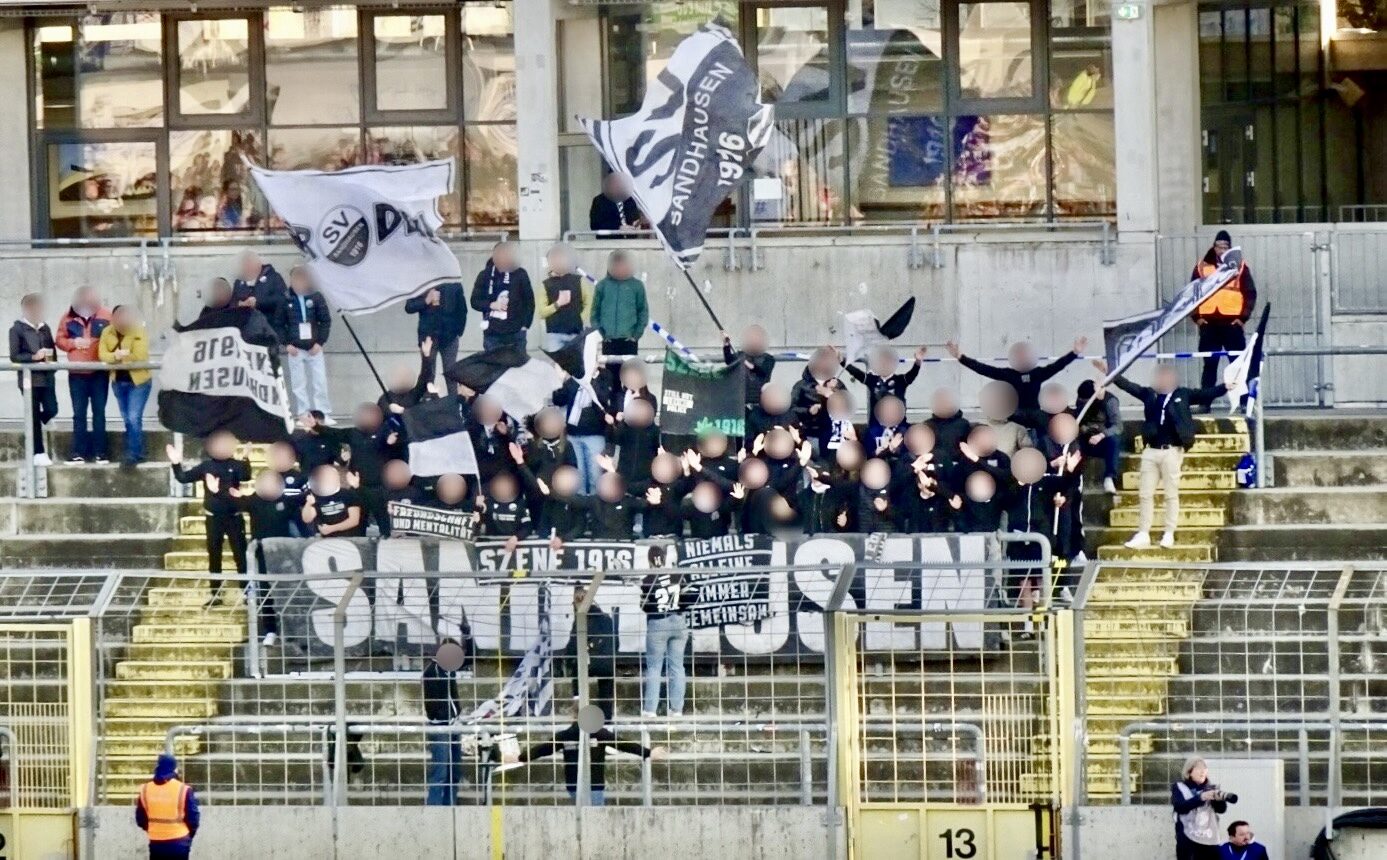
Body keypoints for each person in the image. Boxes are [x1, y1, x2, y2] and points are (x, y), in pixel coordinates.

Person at [1094, 359, 1227, 549]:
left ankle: (1169, 532)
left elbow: (1207, 393)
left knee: (1171, 494)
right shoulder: (1150, 394)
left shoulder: (1183, 394)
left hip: (1172, 450)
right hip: (1151, 450)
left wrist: (1226, 386)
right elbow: (1128, 386)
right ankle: (1143, 533)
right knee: (1145, 494)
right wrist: (1110, 372)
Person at [506, 707, 666, 806]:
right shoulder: (598, 733)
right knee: (597, 820)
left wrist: (520, 758)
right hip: (594, 784)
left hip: (573, 785)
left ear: (574, 717)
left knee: (582, 816)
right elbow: (623, 744)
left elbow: (543, 749)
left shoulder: (565, 735)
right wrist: (648, 753)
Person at [167, 431, 251, 607]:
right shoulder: (206, 466)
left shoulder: (235, 465)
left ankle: (248, 593)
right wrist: (176, 463)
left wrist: (245, 458)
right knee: (214, 555)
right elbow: (183, 478)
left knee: (241, 555)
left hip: (234, 517)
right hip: (213, 518)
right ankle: (215, 594)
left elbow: (246, 476)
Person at [1192, 230, 1257, 395]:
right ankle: (1205, 402)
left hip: (1232, 323)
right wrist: (1197, 318)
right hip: (1209, 324)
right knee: (1209, 365)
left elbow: (1250, 293)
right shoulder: (1202, 267)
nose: (1221, 250)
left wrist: (1242, 318)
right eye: (1219, 246)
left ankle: (1243, 401)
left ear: (1230, 248)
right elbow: (1192, 294)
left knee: (1237, 364)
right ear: (1214, 247)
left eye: (1225, 246)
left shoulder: (1239, 266)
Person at [948, 336, 1088, 411]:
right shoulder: (1008, 374)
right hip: (1015, 415)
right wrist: (961, 357)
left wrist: (1074, 353)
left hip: (1035, 415)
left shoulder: (1038, 373)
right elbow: (983, 369)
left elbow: (1058, 365)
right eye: (1019, 356)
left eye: (1025, 356)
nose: (1022, 359)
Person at [56, 286, 112, 463]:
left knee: (99, 413)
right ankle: (78, 452)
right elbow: (59, 340)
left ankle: (100, 452)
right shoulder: (67, 317)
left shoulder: (107, 315)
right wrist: (74, 343)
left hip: (99, 373)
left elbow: (115, 337)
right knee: (79, 414)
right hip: (76, 373)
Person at [9, 293, 58, 465]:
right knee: (33, 414)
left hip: (47, 377)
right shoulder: (16, 329)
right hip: (29, 379)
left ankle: (40, 422)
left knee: (52, 409)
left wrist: (51, 364)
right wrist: (33, 357)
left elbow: (53, 351)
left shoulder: (45, 328)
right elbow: (15, 356)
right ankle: (38, 452)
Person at [100, 305, 152, 467]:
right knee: (127, 419)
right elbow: (102, 354)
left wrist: (122, 355)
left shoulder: (138, 331)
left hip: (139, 382)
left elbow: (140, 355)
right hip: (118, 381)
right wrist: (116, 356)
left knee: (133, 417)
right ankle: (139, 451)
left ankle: (132, 454)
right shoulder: (107, 332)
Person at [281, 266, 334, 419]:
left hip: (314, 347)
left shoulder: (316, 297)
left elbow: (325, 321)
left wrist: (320, 342)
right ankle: (303, 414)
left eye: (302, 280)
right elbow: (279, 324)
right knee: (298, 384)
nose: (298, 284)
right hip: (295, 348)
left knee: (319, 381)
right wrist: (286, 344)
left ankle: (322, 413)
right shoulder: (285, 299)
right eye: (295, 280)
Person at [640, 549, 688, 718]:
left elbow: (644, 606)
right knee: (677, 667)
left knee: (654, 667)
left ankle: (650, 710)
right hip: (678, 621)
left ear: (650, 561)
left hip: (658, 622)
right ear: (665, 558)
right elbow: (687, 598)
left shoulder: (647, 580)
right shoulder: (677, 575)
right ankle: (677, 709)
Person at [591, 251, 648, 388]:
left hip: (629, 340)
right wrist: (602, 333)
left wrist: (636, 335)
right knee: (612, 380)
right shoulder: (602, 286)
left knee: (631, 379)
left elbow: (643, 311)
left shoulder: (637, 286)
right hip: (609, 340)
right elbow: (594, 312)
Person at [404, 280, 467, 395]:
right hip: (428, 336)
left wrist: (458, 331)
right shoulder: (421, 282)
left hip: (450, 336)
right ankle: (428, 401)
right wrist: (426, 300)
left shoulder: (454, 283)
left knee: (451, 373)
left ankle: (453, 402)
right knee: (428, 373)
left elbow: (462, 309)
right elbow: (409, 307)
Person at [470, 241, 534, 351]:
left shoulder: (520, 274)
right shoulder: (485, 275)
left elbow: (529, 301)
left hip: (516, 333)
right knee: (494, 362)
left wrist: (525, 325)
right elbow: (474, 301)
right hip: (492, 334)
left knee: (518, 362)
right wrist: (491, 305)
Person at [421, 640, 463, 806]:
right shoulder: (432, 671)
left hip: (453, 724)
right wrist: (443, 716)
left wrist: (466, 635)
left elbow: (471, 654)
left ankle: (450, 806)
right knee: (440, 773)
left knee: (454, 772)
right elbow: (431, 705)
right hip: (441, 726)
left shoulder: (448, 670)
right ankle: (436, 810)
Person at [135, 753, 199, 860]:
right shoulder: (183, 789)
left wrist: (155, 830)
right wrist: (189, 835)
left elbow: (140, 819)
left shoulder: (146, 789)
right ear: (174, 769)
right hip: (179, 841)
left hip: (156, 842)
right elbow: (193, 818)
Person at [536, 243, 592, 352]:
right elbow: (541, 312)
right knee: (557, 361)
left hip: (576, 333)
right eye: (553, 259)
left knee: (578, 361)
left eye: (560, 258)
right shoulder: (545, 284)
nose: (557, 262)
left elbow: (589, 302)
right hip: (554, 334)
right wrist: (558, 304)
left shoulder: (579, 280)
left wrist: (580, 318)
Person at [1172, 757, 1230, 860]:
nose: (1203, 771)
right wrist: (1201, 797)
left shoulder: (1212, 788)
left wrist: (1218, 799)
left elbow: (1221, 810)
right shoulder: (1180, 787)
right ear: (1189, 771)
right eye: (1199, 768)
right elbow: (1180, 807)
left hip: (1209, 838)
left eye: (1205, 768)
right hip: (1187, 839)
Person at [1076, 379, 1122, 495]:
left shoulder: (1110, 401)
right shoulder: (1081, 401)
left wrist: (1101, 435)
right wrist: (1082, 428)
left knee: (1114, 441)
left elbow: (1118, 426)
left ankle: (1109, 478)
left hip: (1103, 440)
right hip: (1085, 438)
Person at [231, 250, 288, 328]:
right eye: (245, 264)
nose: (248, 267)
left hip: (270, 326)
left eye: (250, 263)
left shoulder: (274, 277)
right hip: (246, 327)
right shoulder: (239, 282)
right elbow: (231, 302)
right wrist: (240, 304)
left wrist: (258, 303)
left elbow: (282, 299)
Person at [722, 324, 775, 409]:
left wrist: (746, 363)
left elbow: (762, 372)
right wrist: (726, 345)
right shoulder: (740, 355)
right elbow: (729, 360)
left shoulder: (768, 359)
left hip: (759, 403)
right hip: (741, 401)